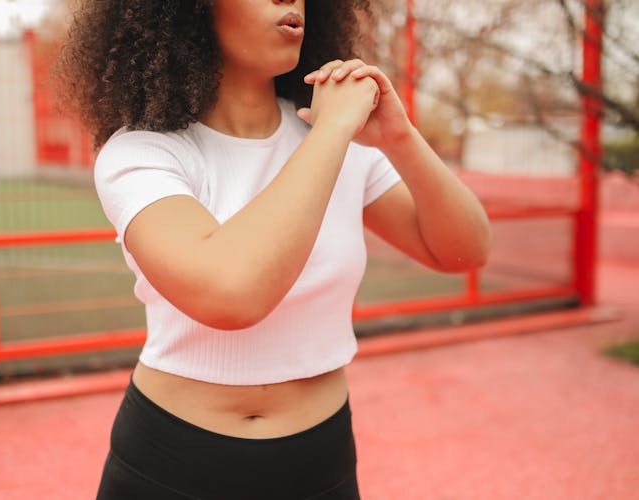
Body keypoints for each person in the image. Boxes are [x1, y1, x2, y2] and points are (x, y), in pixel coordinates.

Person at [54, 0, 491, 498]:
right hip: (174, 462)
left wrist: (399, 138)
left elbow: (465, 249)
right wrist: (329, 132)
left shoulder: (339, 138)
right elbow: (232, 294)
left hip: (320, 461)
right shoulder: (142, 151)